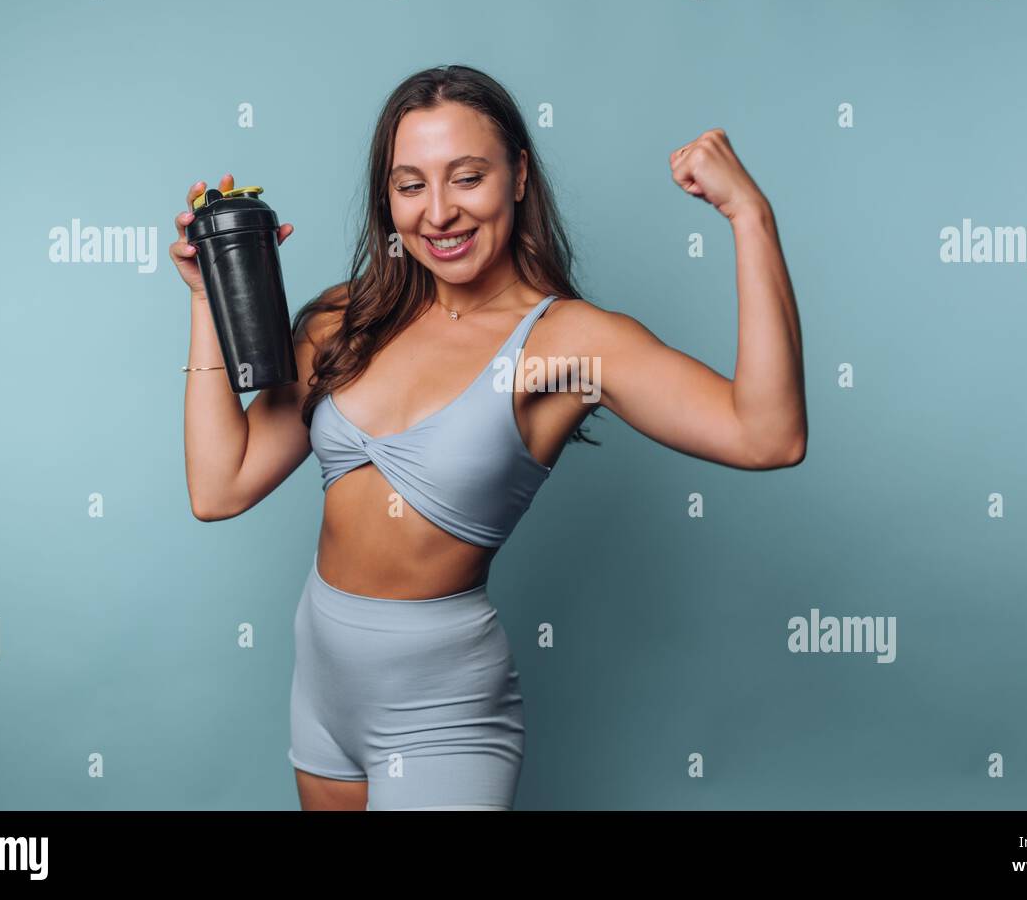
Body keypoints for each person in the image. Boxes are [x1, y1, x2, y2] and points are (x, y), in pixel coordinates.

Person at [173, 65, 806, 810]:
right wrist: (208, 297)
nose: (439, 212)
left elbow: (768, 435)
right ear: (387, 198)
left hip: (441, 715)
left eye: (468, 177)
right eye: (411, 185)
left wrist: (750, 216)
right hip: (320, 695)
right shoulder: (344, 321)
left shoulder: (564, 345)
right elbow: (219, 487)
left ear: (518, 177)